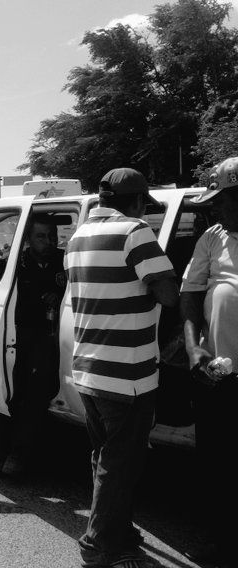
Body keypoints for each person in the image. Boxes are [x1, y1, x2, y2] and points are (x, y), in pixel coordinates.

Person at [66, 168, 178, 568]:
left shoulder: (77, 237)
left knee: (105, 457)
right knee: (120, 464)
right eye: (143, 206)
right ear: (134, 202)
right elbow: (168, 293)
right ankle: (99, 547)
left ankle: (119, 532)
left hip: (89, 369)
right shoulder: (135, 232)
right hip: (127, 373)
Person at [0, 215, 66, 477]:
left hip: (50, 339)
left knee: (36, 398)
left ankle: (18, 455)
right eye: (41, 236)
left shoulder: (65, 260)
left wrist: (58, 295)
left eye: (52, 236)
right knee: (7, 395)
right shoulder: (16, 262)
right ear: (27, 239)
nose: (49, 241)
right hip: (14, 339)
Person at [180, 157, 238, 568]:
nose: (218, 209)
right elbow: (189, 295)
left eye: (225, 200)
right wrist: (191, 347)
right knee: (216, 461)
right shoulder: (212, 239)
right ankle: (217, 537)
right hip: (221, 374)